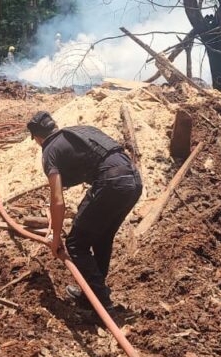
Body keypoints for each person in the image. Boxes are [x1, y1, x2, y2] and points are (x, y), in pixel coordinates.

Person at [27, 110, 142, 324]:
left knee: (76, 243)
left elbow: (58, 200)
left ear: (36, 137)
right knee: (102, 238)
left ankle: (103, 306)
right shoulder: (80, 131)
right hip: (133, 181)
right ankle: (91, 295)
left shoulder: (49, 151)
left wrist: (55, 239)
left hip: (111, 182)